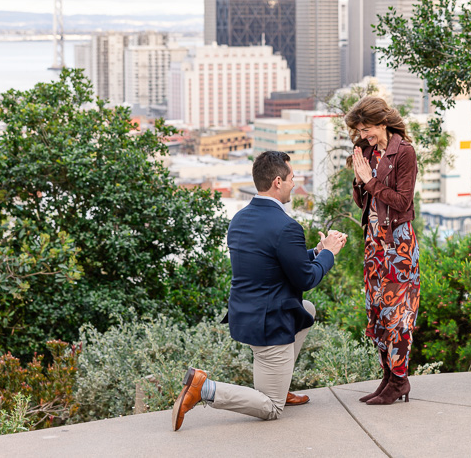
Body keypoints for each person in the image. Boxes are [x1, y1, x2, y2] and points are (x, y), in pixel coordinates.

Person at [172, 150, 347, 431]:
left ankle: (280, 383)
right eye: (291, 178)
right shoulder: (286, 226)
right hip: (270, 322)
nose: (293, 183)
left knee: (307, 310)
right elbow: (305, 279)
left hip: (245, 313)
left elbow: (272, 260)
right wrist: (329, 254)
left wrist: (315, 250)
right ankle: (205, 389)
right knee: (272, 408)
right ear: (278, 182)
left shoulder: (239, 219)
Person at [346, 95, 419, 405]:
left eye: (367, 129)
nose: (364, 135)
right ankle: (388, 377)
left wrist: (370, 180)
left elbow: (402, 202)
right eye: (360, 131)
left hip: (397, 243)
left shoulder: (404, 153)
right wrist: (359, 182)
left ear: (382, 122)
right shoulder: (366, 151)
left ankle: (400, 380)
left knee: (398, 314)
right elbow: (367, 203)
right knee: (377, 313)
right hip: (374, 242)